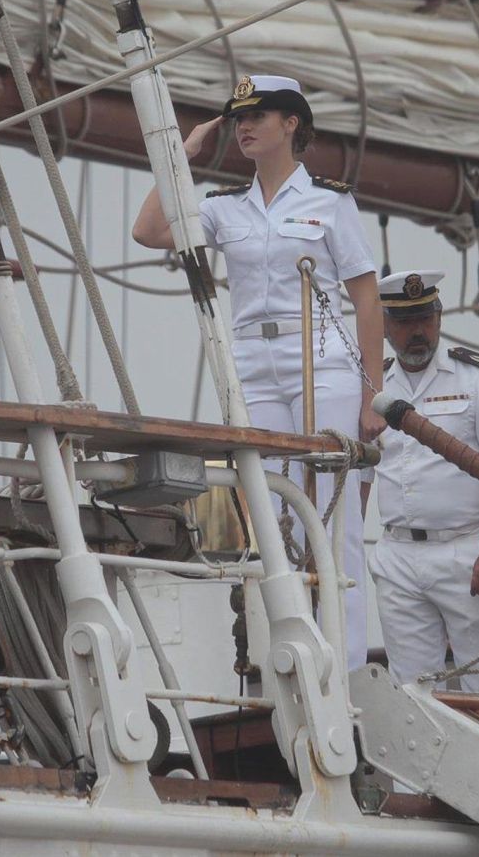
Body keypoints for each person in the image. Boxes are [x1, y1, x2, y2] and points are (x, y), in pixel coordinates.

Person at [133, 74, 384, 669]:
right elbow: (148, 231)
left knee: (336, 516)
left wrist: (372, 394)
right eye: (239, 118)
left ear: (291, 124)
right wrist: (181, 154)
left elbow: (366, 297)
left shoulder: (329, 201)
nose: (244, 127)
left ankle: (346, 668)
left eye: (258, 116)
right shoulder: (224, 207)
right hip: (251, 361)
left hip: (321, 360)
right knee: (273, 515)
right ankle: (291, 659)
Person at [371, 271, 479, 691]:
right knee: (413, 692)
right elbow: (362, 471)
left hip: (466, 551)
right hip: (397, 554)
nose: (417, 332)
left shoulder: (477, 377)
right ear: (385, 327)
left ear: (439, 318)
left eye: (425, 319)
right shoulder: (373, 384)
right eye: (405, 322)